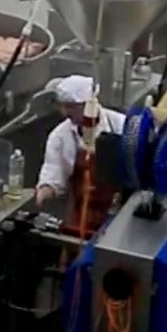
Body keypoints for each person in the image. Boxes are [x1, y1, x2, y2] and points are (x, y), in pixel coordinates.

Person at [35, 76, 128, 236]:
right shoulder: (60, 136)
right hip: (80, 214)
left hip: (117, 212)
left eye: (71, 107)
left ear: (89, 104)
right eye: (62, 106)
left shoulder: (120, 125)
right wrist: (43, 192)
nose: (65, 113)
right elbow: (54, 170)